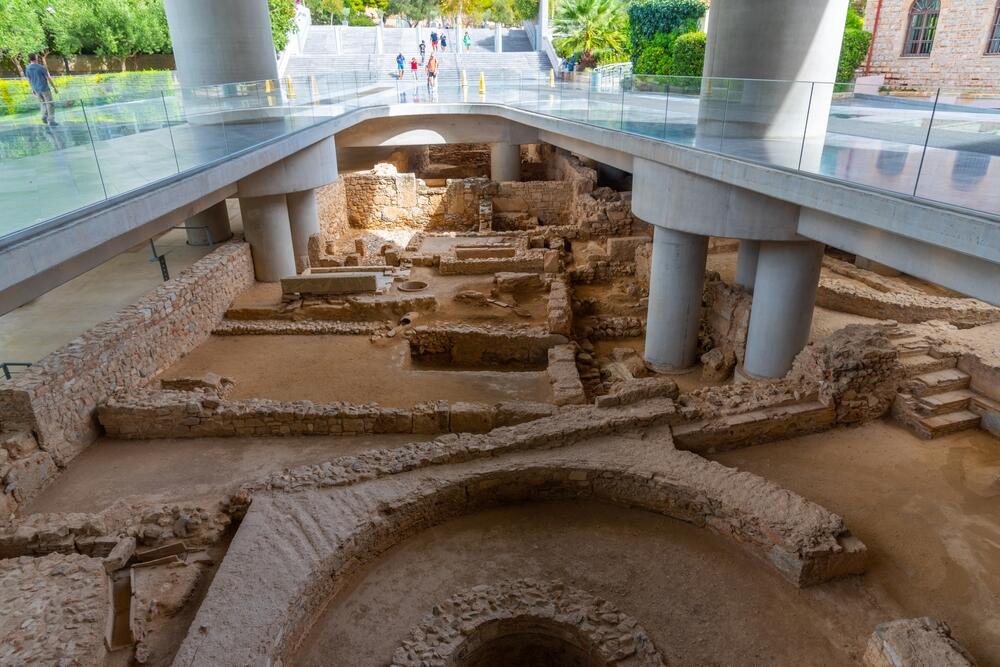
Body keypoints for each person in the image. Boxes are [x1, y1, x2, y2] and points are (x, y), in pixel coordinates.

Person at [26, 53, 59, 126]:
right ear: (36, 58)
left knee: (43, 104)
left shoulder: (27, 68)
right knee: (50, 104)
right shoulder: (41, 67)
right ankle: (51, 120)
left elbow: (29, 80)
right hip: (44, 89)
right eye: (37, 56)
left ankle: (44, 117)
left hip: (36, 89)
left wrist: (32, 89)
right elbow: (48, 78)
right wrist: (54, 88)